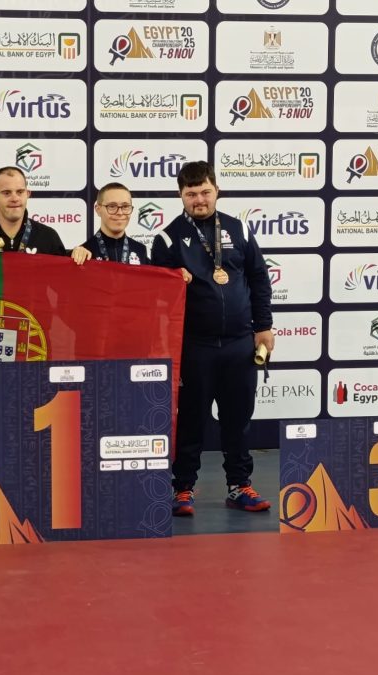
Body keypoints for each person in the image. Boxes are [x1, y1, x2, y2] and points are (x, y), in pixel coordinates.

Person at [150, 160, 275, 516]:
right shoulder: (167, 238)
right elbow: (159, 299)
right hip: (195, 346)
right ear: (181, 195)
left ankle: (240, 485)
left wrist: (264, 326)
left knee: (238, 419)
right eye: (191, 194)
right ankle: (182, 489)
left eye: (205, 192)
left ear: (217, 190)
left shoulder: (239, 229)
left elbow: (258, 278)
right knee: (191, 420)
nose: (199, 200)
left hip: (239, 342)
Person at [0, 167, 90, 262]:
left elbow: (63, 280)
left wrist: (77, 254)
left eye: (20, 192)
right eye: (6, 193)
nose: (14, 198)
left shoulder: (48, 236)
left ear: (27, 194)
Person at [78, 183, 150, 266]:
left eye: (125, 206)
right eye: (112, 206)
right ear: (98, 210)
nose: (120, 213)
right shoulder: (82, 255)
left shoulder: (143, 252)